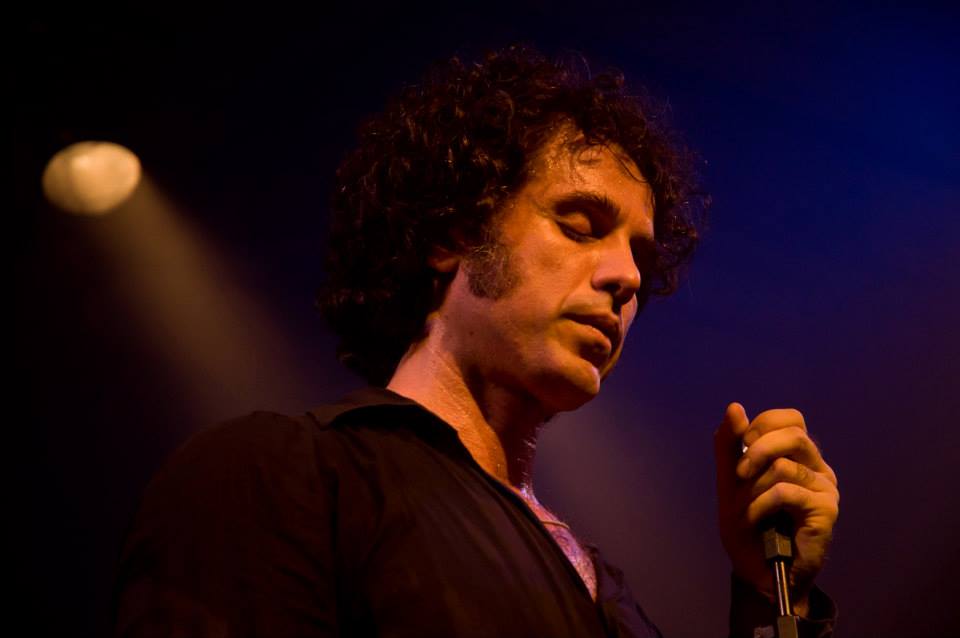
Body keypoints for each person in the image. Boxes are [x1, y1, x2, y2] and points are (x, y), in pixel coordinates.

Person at [114, 45, 839, 637]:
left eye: (640, 259)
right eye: (580, 226)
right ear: (455, 234)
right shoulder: (286, 475)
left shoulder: (606, 592)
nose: (625, 276)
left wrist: (773, 596)